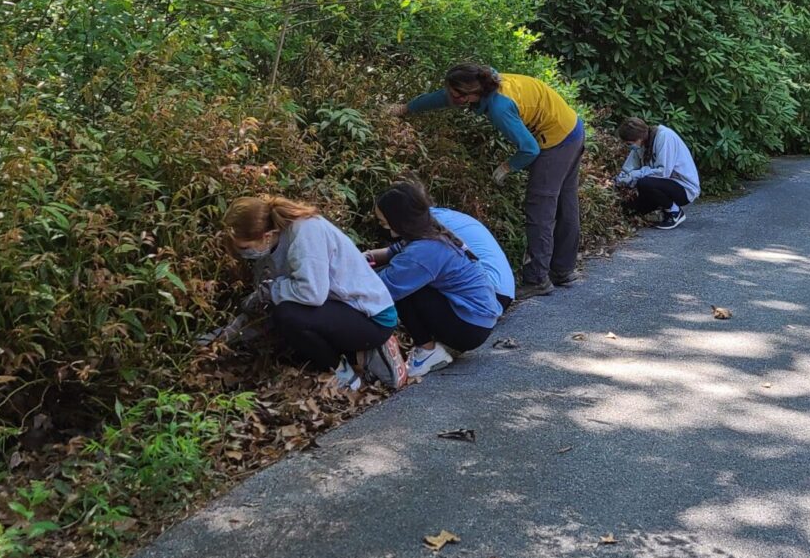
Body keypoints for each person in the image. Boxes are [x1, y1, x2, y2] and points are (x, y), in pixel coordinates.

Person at [390, 64, 583, 298]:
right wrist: (404, 108)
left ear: (471, 94)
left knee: (540, 205)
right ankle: (563, 270)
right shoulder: (483, 81)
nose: (451, 98)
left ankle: (537, 278)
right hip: (572, 127)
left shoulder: (500, 107)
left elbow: (529, 149)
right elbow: (442, 98)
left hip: (556, 139)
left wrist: (507, 167)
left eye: (456, 95)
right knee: (565, 202)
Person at [221, 194, 407, 390]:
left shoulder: (305, 232)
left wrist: (270, 291)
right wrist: (228, 334)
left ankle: (346, 376)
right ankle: (362, 356)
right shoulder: (271, 245)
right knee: (290, 340)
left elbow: (311, 294)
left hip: (373, 317)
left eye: (244, 248)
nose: (243, 254)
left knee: (288, 315)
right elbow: (269, 295)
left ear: (265, 236)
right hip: (343, 308)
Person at [365, 183, 502, 377]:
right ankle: (433, 348)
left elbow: (383, 288)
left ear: (397, 219)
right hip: (479, 318)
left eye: (383, 221)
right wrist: (367, 256)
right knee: (403, 275)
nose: (381, 224)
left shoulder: (424, 252)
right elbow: (394, 252)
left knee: (407, 289)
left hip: (469, 327)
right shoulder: (429, 231)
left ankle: (427, 352)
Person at [613, 117, 700, 229]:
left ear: (639, 137)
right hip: (663, 184)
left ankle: (674, 212)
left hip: (684, 187)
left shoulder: (664, 137)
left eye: (630, 143)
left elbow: (663, 172)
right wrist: (620, 179)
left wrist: (633, 176)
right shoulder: (642, 143)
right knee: (630, 209)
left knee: (644, 183)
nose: (629, 146)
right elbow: (629, 167)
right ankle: (661, 209)